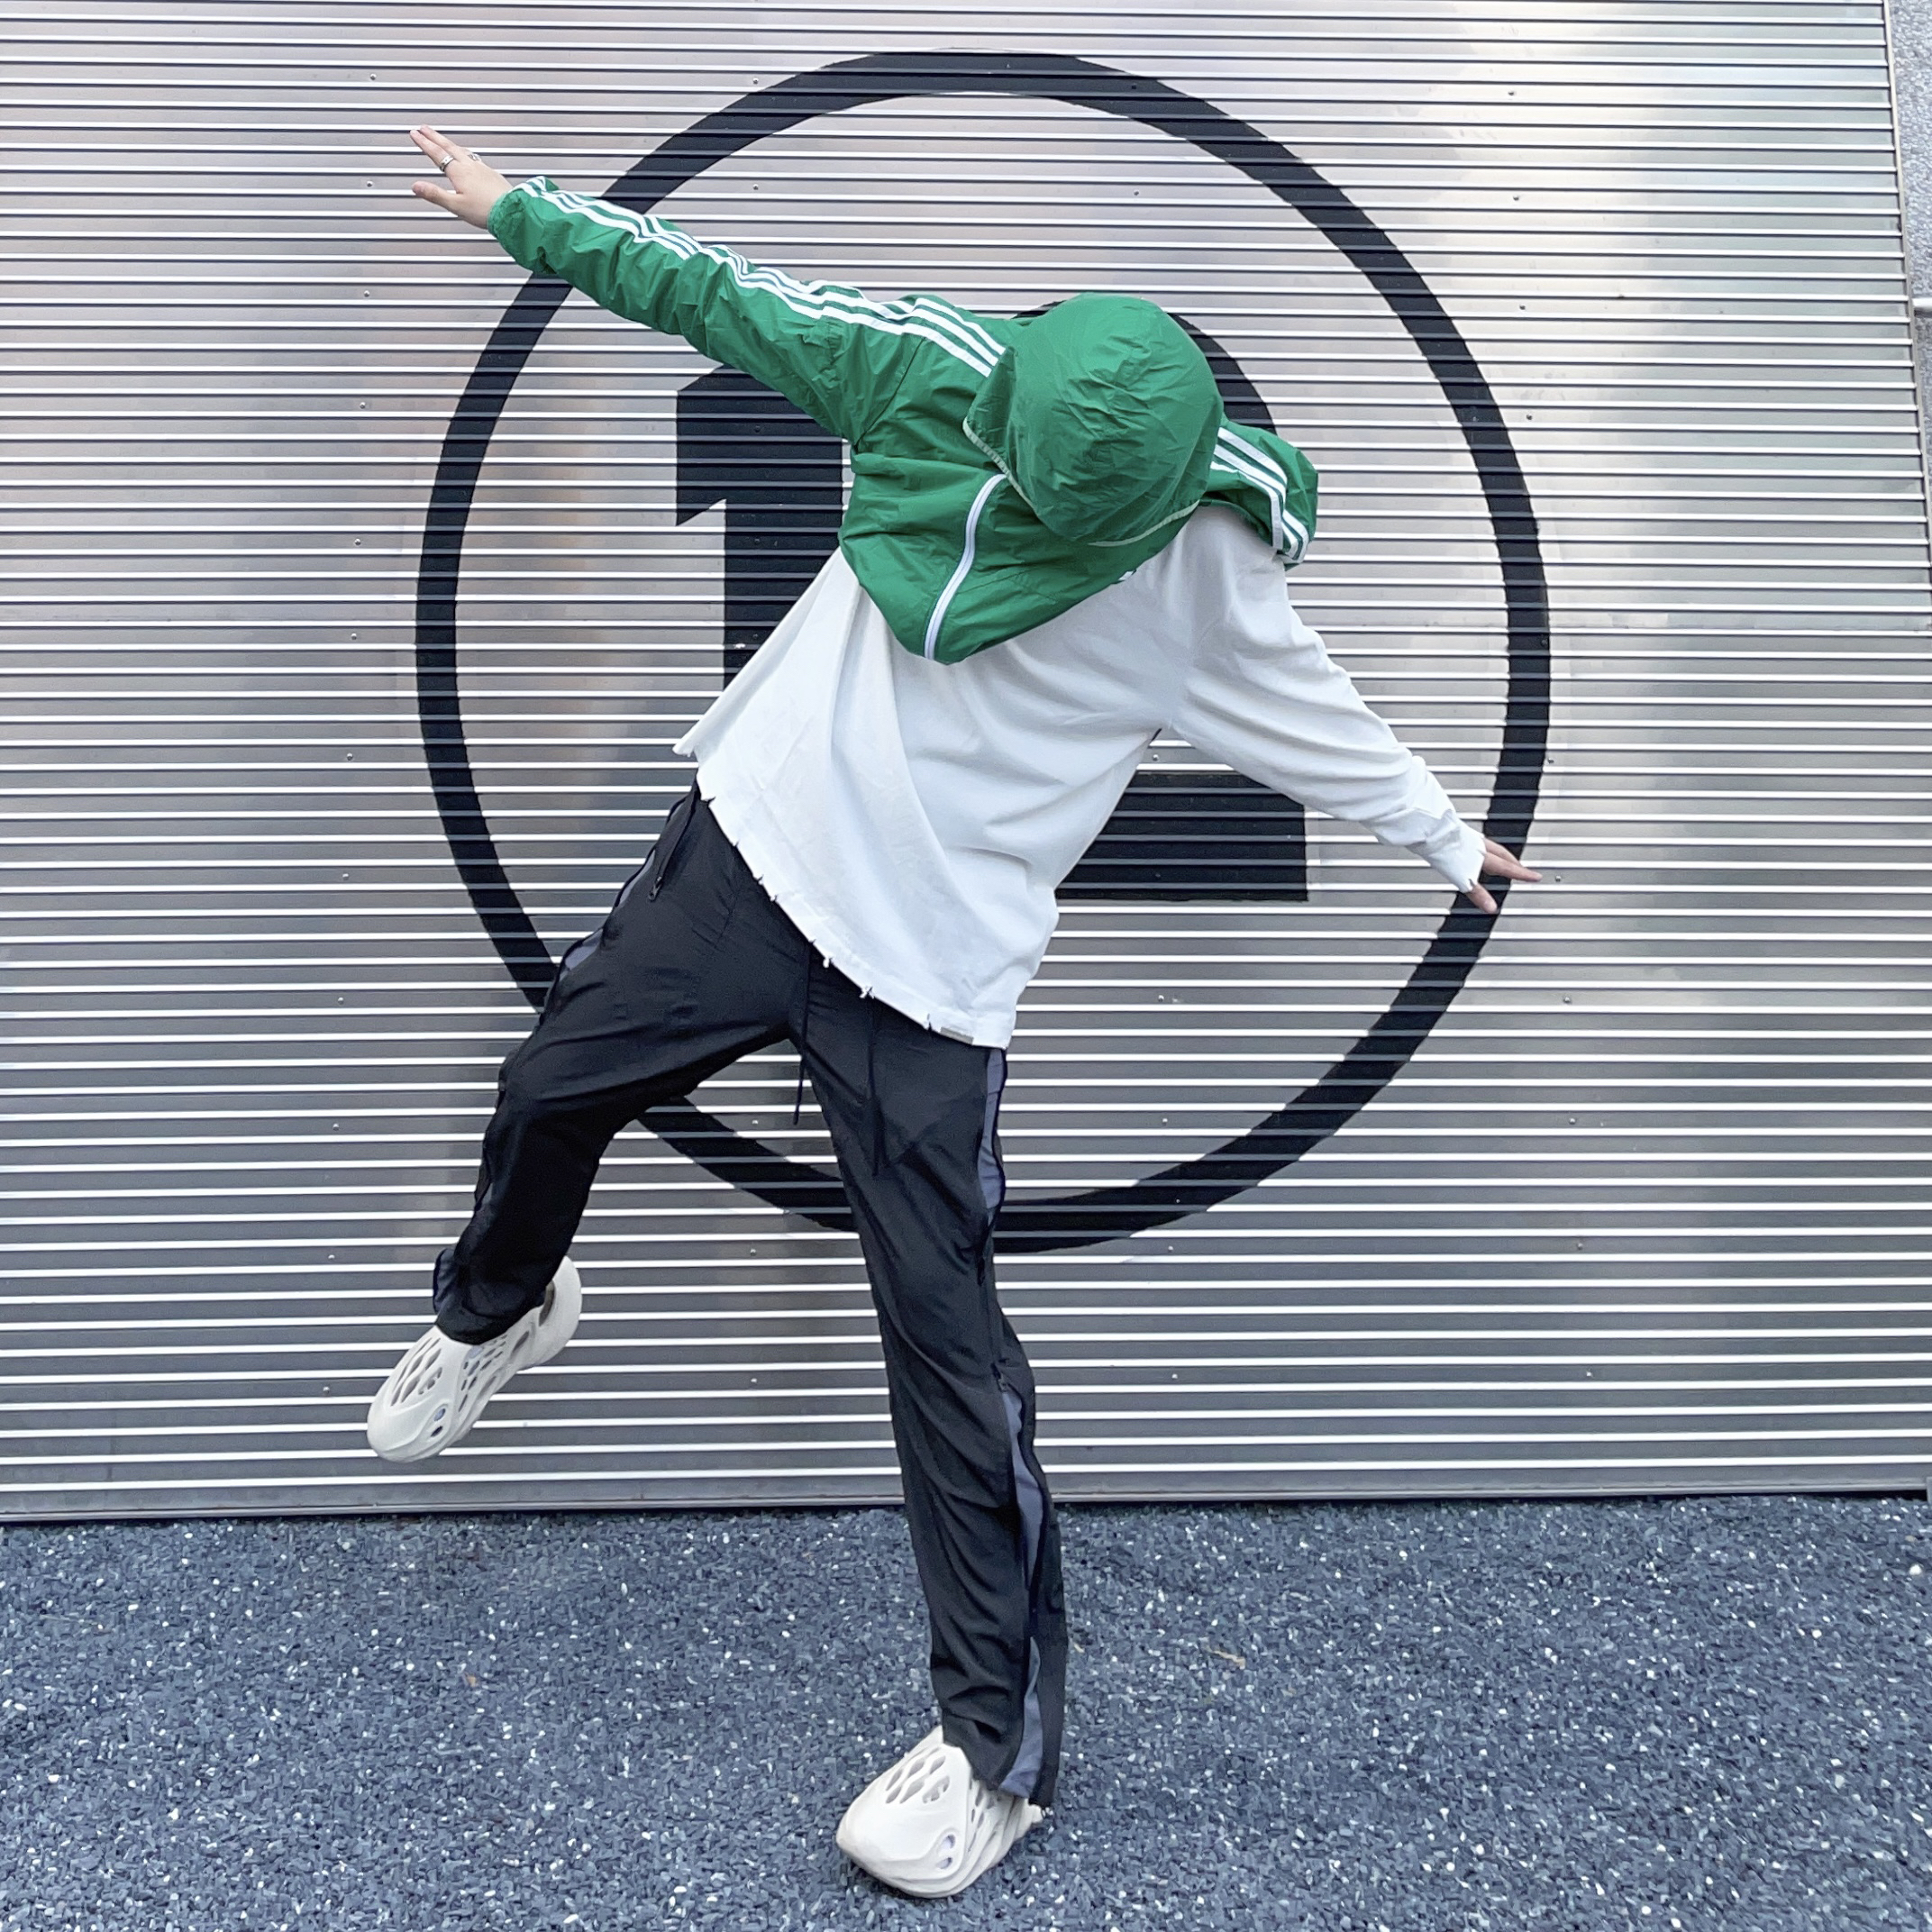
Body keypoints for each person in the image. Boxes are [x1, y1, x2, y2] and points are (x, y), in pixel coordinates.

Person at [368, 124, 1540, 1900]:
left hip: (926, 963)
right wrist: (513, 210)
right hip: (757, 848)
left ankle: (996, 1760)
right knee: (548, 1088)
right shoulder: (919, 369)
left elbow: (1315, 710)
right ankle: (502, 1305)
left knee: (947, 1348)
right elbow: (710, 292)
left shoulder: (1203, 562)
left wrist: (1443, 832)